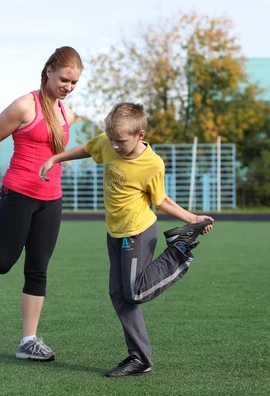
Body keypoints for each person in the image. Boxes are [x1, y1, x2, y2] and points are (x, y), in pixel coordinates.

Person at [38, 102, 214, 377]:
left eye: (121, 141)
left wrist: (190, 219)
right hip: (115, 233)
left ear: (140, 135)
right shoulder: (107, 142)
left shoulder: (151, 163)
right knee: (119, 296)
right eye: (112, 139)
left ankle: (180, 249)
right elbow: (88, 148)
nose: (115, 146)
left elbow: (161, 199)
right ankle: (140, 359)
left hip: (138, 233)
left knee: (135, 292)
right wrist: (55, 158)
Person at [0, 46, 83, 362]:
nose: (68, 87)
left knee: (38, 269)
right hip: (19, 194)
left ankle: (28, 341)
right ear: (49, 70)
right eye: (64, 79)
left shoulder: (66, 112)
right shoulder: (25, 106)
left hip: (51, 200)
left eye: (74, 83)